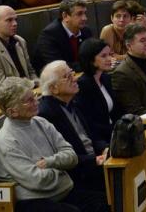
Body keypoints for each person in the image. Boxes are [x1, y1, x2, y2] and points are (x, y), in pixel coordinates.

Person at [0, 77, 101, 212]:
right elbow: (37, 180)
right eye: (29, 100)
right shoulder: (6, 140)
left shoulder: (41, 122)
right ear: (12, 112)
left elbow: (71, 156)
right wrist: (62, 169)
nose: (36, 102)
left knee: (103, 201)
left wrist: (50, 162)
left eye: (34, 96)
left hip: (63, 191)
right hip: (34, 200)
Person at [36, 63, 109, 209]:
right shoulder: (46, 114)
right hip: (76, 174)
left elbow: (93, 137)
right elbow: (59, 156)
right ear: (53, 89)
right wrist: (94, 160)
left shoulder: (73, 102)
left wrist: (105, 149)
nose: (74, 79)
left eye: (72, 73)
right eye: (67, 77)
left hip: (94, 163)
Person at [0, 6, 37, 97]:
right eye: (9, 20)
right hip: (8, 101)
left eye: (15, 19)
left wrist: (39, 86)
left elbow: (30, 71)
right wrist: (33, 84)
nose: (15, 23)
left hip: (30, 93)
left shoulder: (20, 41)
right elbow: (3, 87)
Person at [74, 39, 120, 150]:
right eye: (103, 56)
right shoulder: (82, 86)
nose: (110, 59)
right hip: (100, 141)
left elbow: (116, 112)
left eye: (109, 54)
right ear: (91, 60)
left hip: (114, 134)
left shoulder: (106, 78)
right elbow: (90, 124)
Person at [34, 0, 94, 72]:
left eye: (85, 13)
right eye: (79, 14)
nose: (85, 18)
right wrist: (90, 65)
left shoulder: (86, 31)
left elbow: (93, 56)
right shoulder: (49, 35)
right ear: (65, 16)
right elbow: (58, 67)